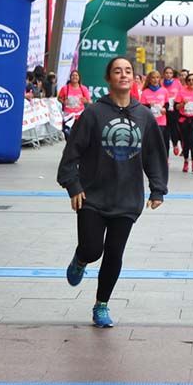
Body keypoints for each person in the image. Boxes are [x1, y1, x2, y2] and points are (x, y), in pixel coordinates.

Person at [58, 56, 168, 328]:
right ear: (108, 78)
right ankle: (81, 258)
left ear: (134, 78)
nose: (123, 75)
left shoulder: (144, 116)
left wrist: (157, 189)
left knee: (114, 253)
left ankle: (101, 305)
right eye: (117, 71)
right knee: (92, 249)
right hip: (92, 196)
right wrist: (73, 185)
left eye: (128, 71)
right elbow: (72, 152)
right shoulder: (93, 113)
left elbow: (154, 155)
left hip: (127, 198)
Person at [139, 71, 171, 154]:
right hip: (150, 121)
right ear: (149, 79)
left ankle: (164, 158)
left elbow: (167, 104)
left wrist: (164, 109)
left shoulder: (164, 91)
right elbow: (142, 107)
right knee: (152, 142)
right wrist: (149, 105)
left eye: (157, 77)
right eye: (153, 78)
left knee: (161, 141)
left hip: (161, 121)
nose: (155, 80)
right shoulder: (145, 92)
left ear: (159, 79)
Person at [162, 66, 184, 157]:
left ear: (172, 74)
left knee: (174, 128)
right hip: (164, 109)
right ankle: (166, 155)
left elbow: (182, 93)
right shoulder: (161, 83)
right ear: (164, 74)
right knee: (165, 132)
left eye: (170, 73)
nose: (168, 75)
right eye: (167, 73)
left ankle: (175, 144)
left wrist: (179, 101)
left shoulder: (177, 82)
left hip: (174, 108)